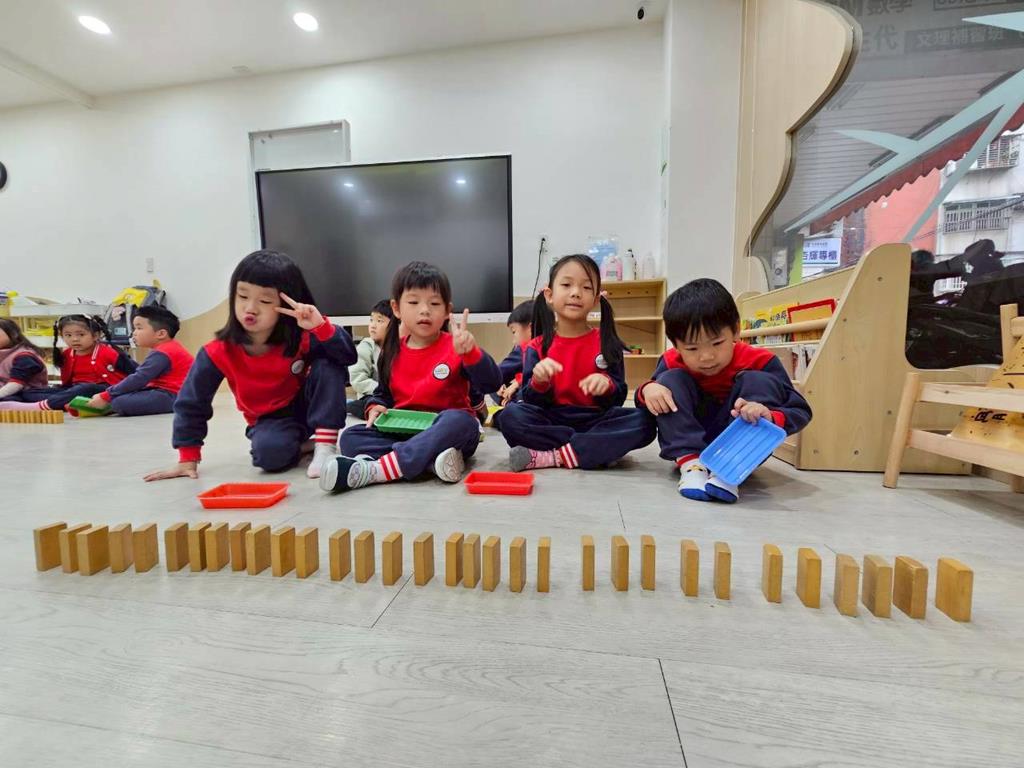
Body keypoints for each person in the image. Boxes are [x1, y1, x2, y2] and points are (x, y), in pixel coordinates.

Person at [144, 249, 355, 481]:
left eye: (265, 301)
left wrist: (320, 326)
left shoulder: (302, 337)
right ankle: (304, 445)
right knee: (268, 457)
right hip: (270, 419)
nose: (250, 308)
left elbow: (347, 356)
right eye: (242, 296)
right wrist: (187, 457)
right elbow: (192, 402)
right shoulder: (218, 351)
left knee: (328, 361)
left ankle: (325, 447)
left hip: (310, 404)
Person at [320, 261, 501, 493]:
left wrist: (472, 354)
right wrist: (375, 406)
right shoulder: (391, 351)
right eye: (414, 302)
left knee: (463, 422)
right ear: (396, 308)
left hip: (446, 430)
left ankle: (378, 470)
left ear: (447, 310)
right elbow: (383, 394)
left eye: (434, 303)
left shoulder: (457, 347)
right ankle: (430, 463)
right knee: (350, 437)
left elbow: (492, 383)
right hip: (404, 430)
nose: (424, 310)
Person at [636, 278, 811, 503]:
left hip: (741, 447)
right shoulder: (671, 362)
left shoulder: (760, 361)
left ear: (736, 330)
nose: (706, 356)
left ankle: (729, 469)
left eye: (717, 343)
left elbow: (800, 410)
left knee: (758, 380)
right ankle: (692, 465)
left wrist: (769, 415)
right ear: (675, 344)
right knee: (666, 382)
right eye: (692, 348)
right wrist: (648, 390)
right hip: (689, 442)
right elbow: (647, 406)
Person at [498, 254, 656, 471]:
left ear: (596, 299)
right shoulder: (536, 347)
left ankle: (555, 456)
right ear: (549, 295)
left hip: (595, 419)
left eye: (586, 287)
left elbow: (618, 398)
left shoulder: (607, 342)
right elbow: (530, 400)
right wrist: (539, 382)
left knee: (645, 422)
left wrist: (607, 385)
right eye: (566, 285)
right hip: (552, 419)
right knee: (510, 416)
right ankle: (593, 449)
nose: (575, 292)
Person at [0, 314, 136, 411]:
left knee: (84, 388)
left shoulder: (109, 352)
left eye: (81, 334)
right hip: (73, 390)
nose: (74, 339)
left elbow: (135, 372)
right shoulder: (67, 354)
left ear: (95, 335)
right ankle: (62, 403)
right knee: (30, 393)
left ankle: (42, 406)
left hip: (104, 390)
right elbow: (68, 384)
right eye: (68, 335)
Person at [79, 305, 194, 417]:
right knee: (121, 396)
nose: (134, 333)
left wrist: (106, 396)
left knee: (120, 402)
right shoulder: (164, 349)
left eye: (139, 328)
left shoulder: (164, 352)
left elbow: (139, 379)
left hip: (176, 396)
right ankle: (107, 405)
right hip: (166, 392)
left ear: (161, 334)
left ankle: (106, 405)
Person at [346, 299, 393, 419]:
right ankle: (350, 406)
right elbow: (358, 378)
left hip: (393, 397)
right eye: (371, 320)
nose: (373, 325)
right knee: (365, 405)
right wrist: (383, 392)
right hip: (371, 395)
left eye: (379, 321)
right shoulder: (367, 345)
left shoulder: (399, 348)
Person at [0, 318, 48, 399]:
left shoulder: (24, 356)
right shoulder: (4, 352)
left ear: (13, 333)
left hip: (27, 395)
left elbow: (16, 384)